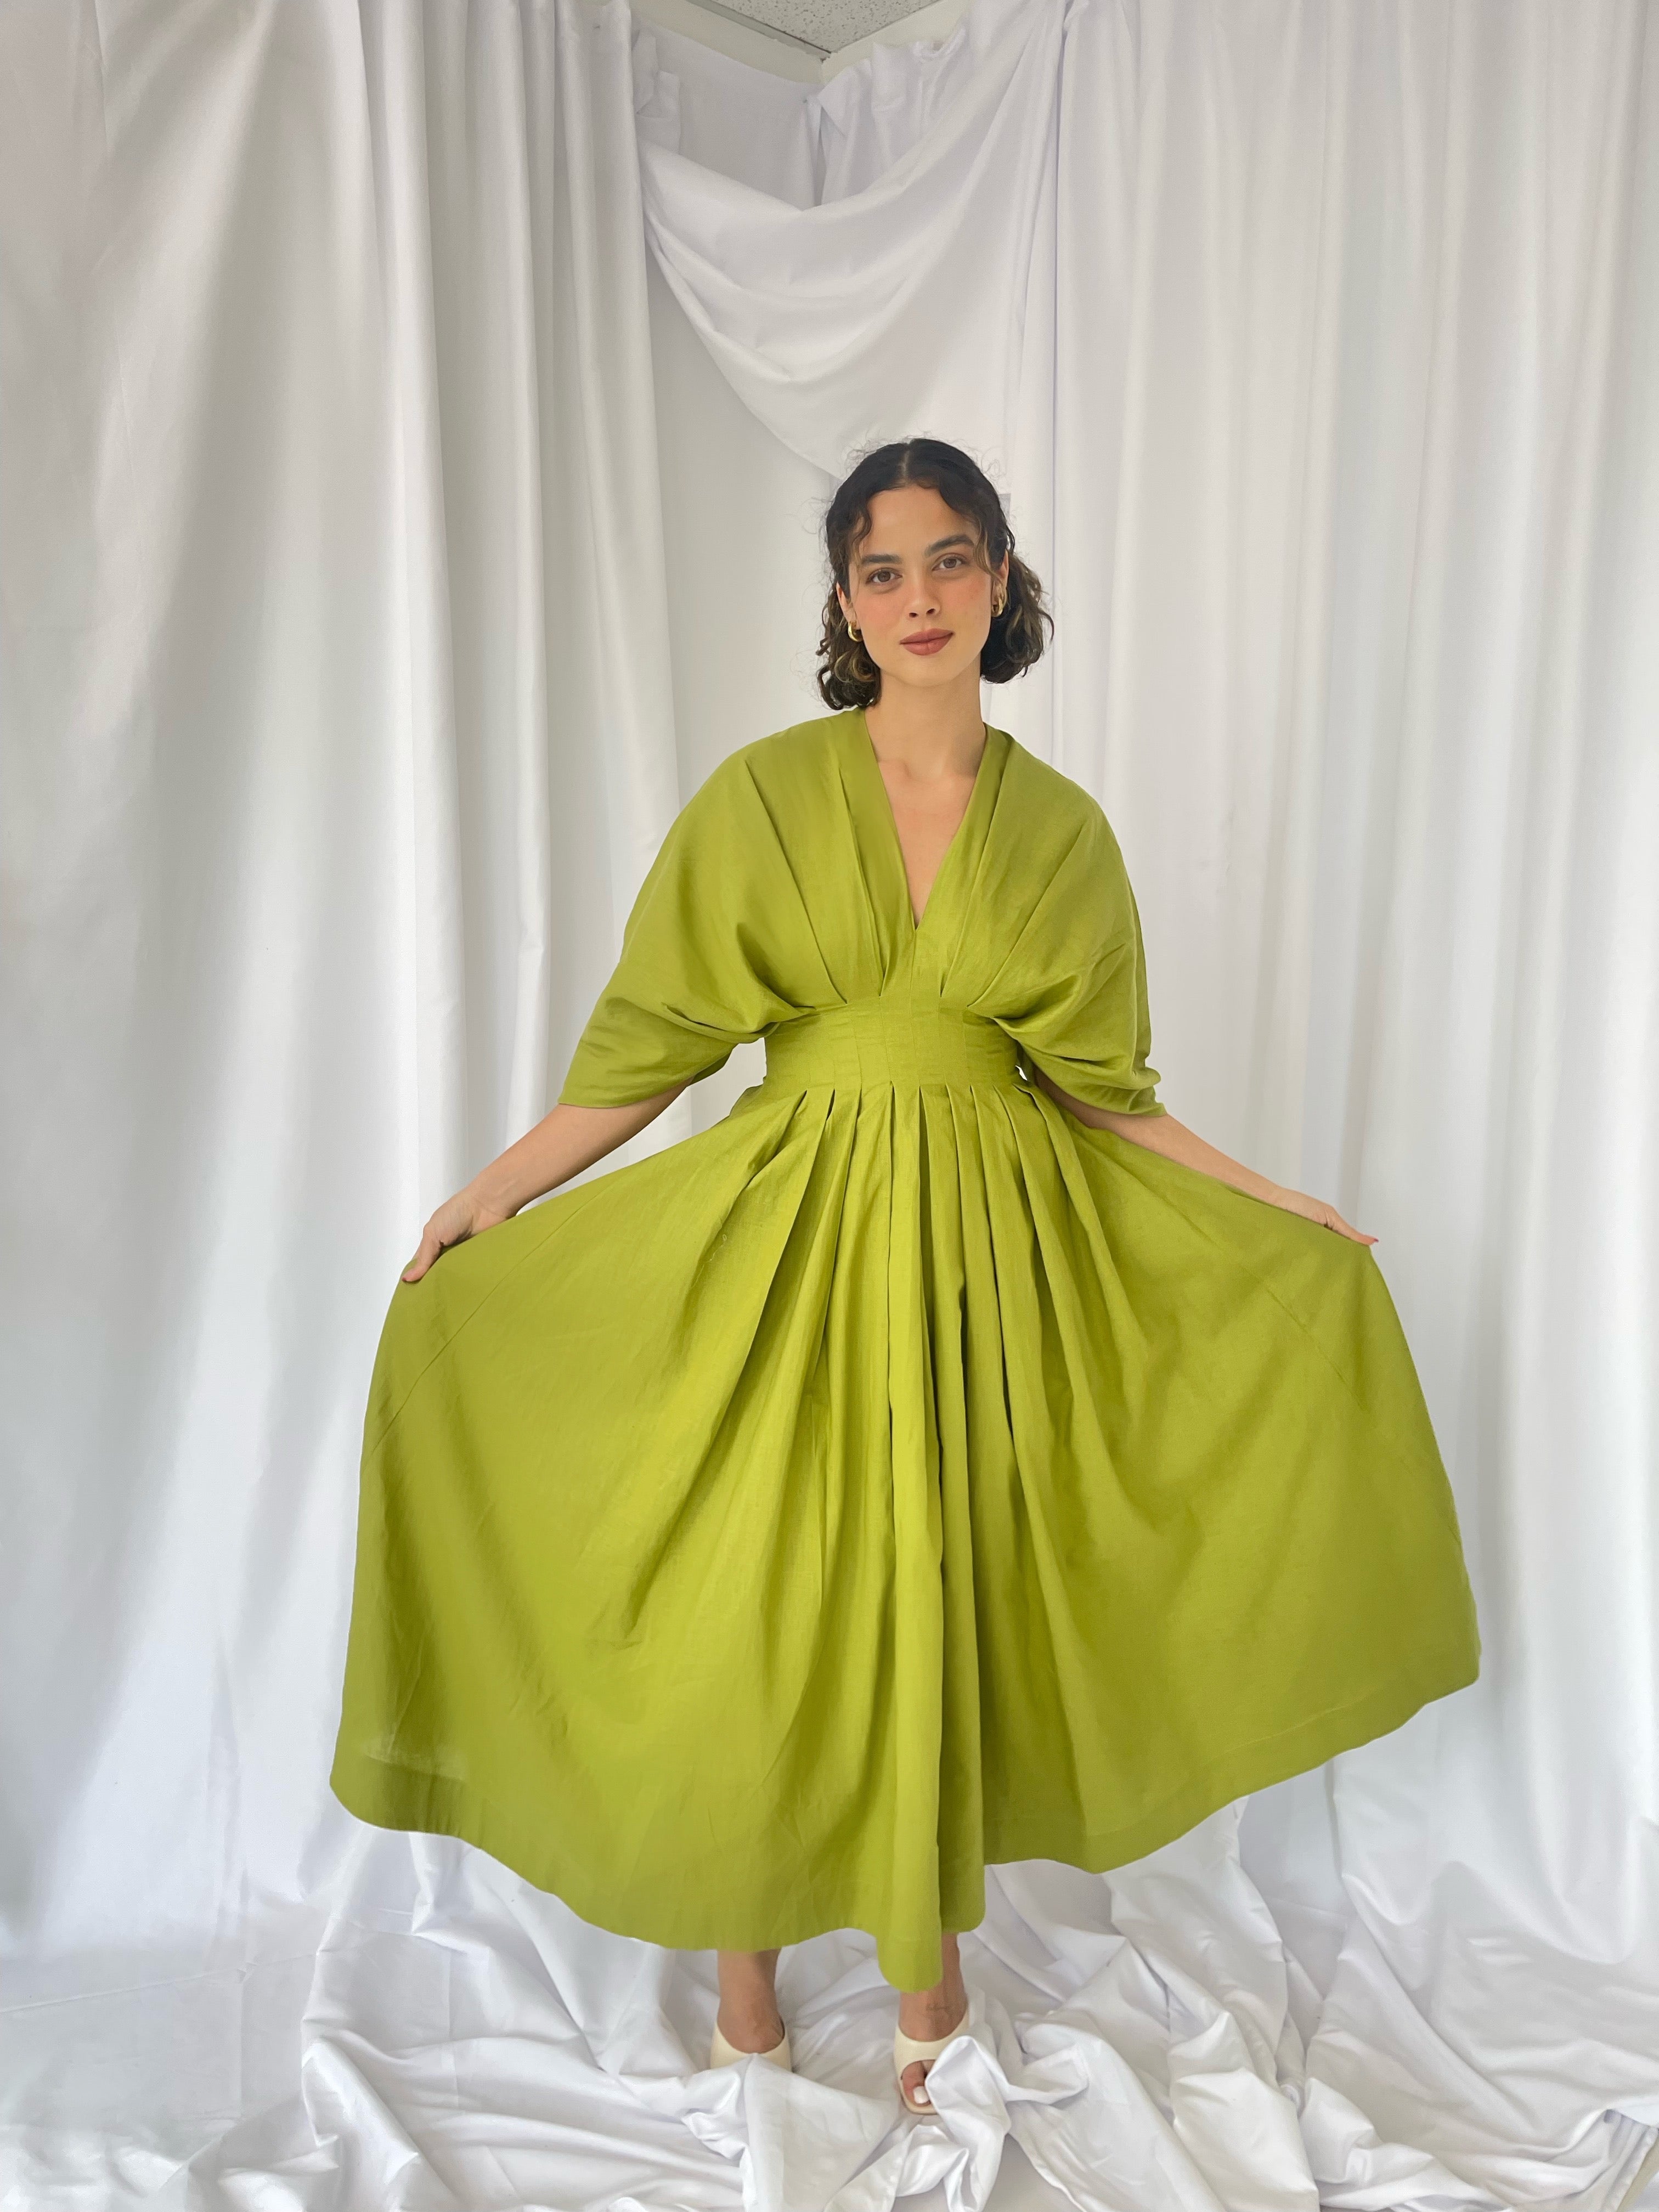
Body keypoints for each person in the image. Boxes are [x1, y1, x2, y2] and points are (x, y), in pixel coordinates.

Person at [330, 438, 1480, 2119]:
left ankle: (928, 1975)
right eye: (882, 570)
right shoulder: (760, 799)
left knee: (940, 1596)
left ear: (1001, 578)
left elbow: (1104, 1091)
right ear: (846, 604)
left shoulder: (1063, 834)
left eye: (950, 560)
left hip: (984, 1263)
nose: (919, 597)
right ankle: (743, 1975)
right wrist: (488, 1196)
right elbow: (650, 1050)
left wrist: (1273, 1206)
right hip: (787, 1247)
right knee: (752, 1591)